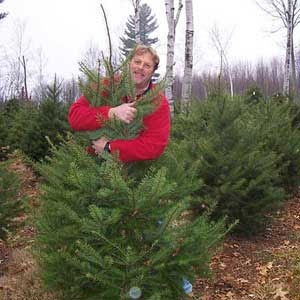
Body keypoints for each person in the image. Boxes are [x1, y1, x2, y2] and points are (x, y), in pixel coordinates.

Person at [68, 45, 170, 163]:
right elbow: (74, 116)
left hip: (133, 173)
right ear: (129, 64)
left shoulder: (158, 101)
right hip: (93, 165)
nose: (141, 67)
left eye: (147, 65)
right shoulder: (107, 85)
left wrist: (110, 148)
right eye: (137, 62)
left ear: (152, 72)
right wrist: (111, 113)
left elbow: (154, 146)